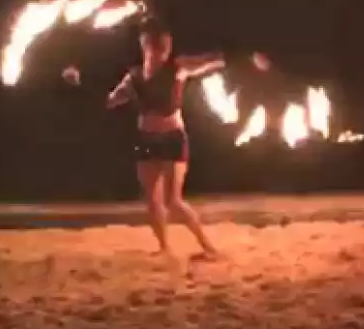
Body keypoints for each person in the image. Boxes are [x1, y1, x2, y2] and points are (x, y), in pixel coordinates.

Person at [106, 20, 266, 260]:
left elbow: (210, 60)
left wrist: (243, 57)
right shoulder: (134, 77)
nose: (162, 49)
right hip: (146, 139)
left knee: (173, 201)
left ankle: (208, 246)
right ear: (145, 45)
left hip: (172, 138)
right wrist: (89, 87)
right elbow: (112, 99)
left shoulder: (178, 68)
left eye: (165, 44)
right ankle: (164, 247)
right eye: (156, 44)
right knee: (152, 201)